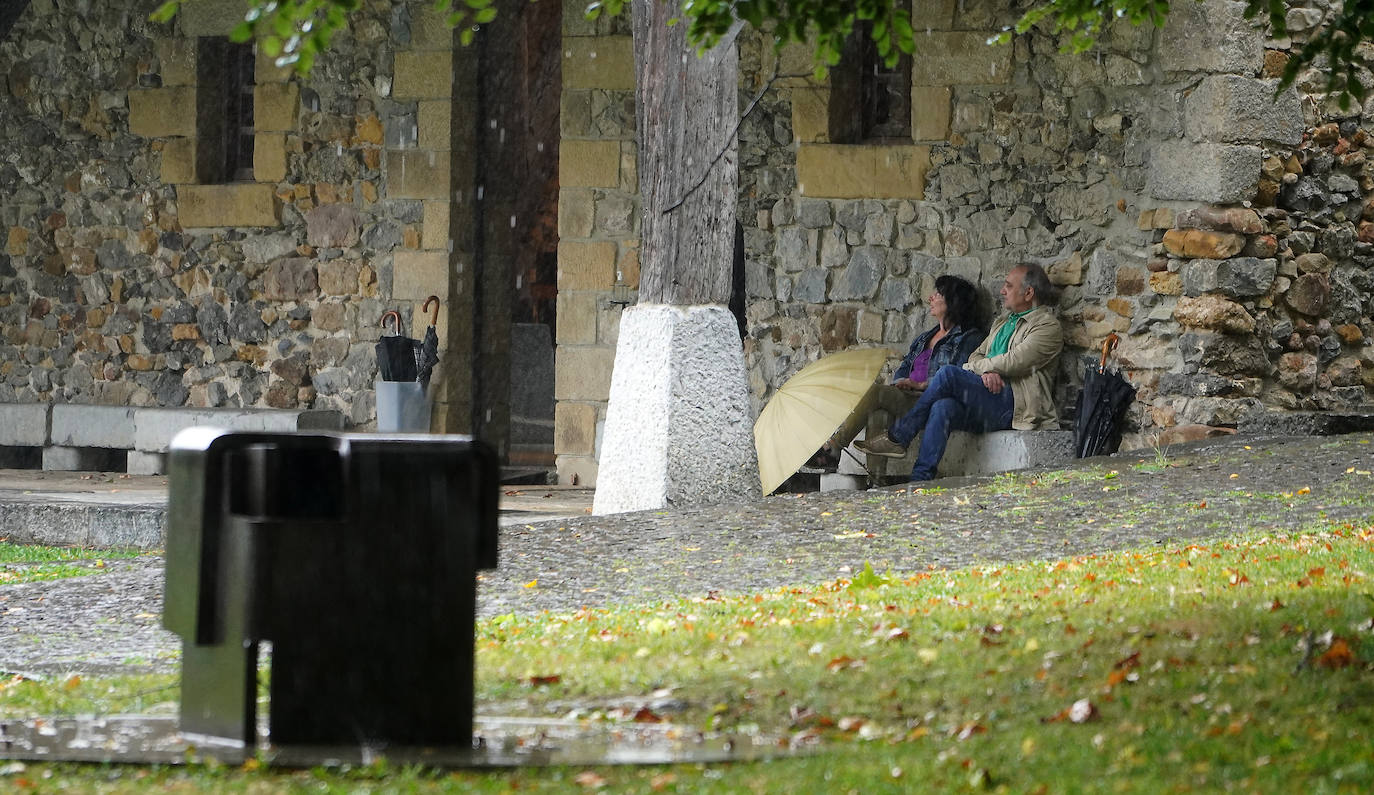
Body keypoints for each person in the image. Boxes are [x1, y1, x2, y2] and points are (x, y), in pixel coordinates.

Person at [856, 263, 1063, 482]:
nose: (1003, 291)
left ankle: (899, 436)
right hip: (987, 397)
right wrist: (985, 372)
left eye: (1009, 286)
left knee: (948, 374)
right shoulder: (1002, 323)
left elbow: (1013, 362)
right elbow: (975, 356)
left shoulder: (1047, 327)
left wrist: (985, 368)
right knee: (943, 407)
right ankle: (920, 479)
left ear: (1028, 293)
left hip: (1015, 405)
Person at [890, 275, 985, 397]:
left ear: (954, 301)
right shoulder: (923, 338)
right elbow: (905, 366)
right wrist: (900, 383)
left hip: (933, 396)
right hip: (908, 392)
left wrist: (920, 385)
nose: (930, 298)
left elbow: (955, 375)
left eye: (938, 294)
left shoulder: (970, 337)